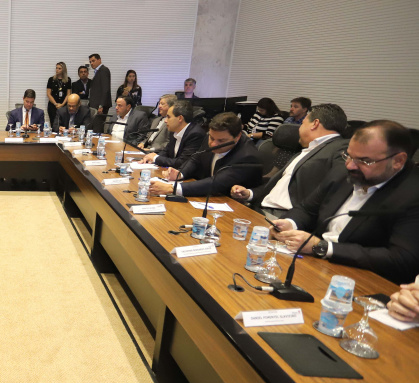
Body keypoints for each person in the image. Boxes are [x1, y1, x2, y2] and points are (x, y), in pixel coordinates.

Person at [271, 120, 419, 284]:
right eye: (348, 155)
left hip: (363, 281)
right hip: (312, 265)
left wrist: (323, 247)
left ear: (398, 161)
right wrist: (290, 223)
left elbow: (402, 259)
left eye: (364, 161)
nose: (349, 166)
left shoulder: (412, 195)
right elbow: (307, 209)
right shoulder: (342, 171)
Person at [231, 103, 349, 218]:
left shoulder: (341, 148)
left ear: (315, 124)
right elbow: (278, 185)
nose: (299, 129)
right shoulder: (303, 151)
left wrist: (294, 220)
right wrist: (249, 193)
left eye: (302, 123)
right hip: (262, 209)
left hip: (285, 217)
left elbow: (332, 191)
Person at [149, 112, 262, 198]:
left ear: (237, 137)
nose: (213, 144)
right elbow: (196, 158)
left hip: (232, 204)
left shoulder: (247, 156)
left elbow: (217, 182)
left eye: (221, 141)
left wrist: (171, 188)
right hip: (209, 197)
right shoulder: (212, 136)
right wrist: (180, 174)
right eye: (211, 138)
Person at [140, 101, 205, 169]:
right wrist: (151, 158)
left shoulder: (195, 134)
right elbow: (166, 151)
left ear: (180, 118)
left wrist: (156, 158)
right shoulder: (174, 130)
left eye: (168, 117)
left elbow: (183, 163)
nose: (165, 121)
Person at [87, 54, 112, 132]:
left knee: (98, 128)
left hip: (100, 106)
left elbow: (105, 89)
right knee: (94, 126)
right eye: (90, 62)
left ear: (99, 60)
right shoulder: (97, 72)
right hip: (96, 105)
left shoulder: (104, 70)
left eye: (93, 61)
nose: (91, 63)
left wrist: (101, 105)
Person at [46, 62, 71, 127]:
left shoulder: (68, 80)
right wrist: (55, 104)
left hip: (64, 105)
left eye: (59, 68)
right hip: (53, 105)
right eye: (56, 68)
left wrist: (62, 104)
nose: (57, 70)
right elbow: (48, 94)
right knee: (53, 124)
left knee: (64, 124)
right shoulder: (51, 79)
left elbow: (68, 94)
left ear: (63, 70)